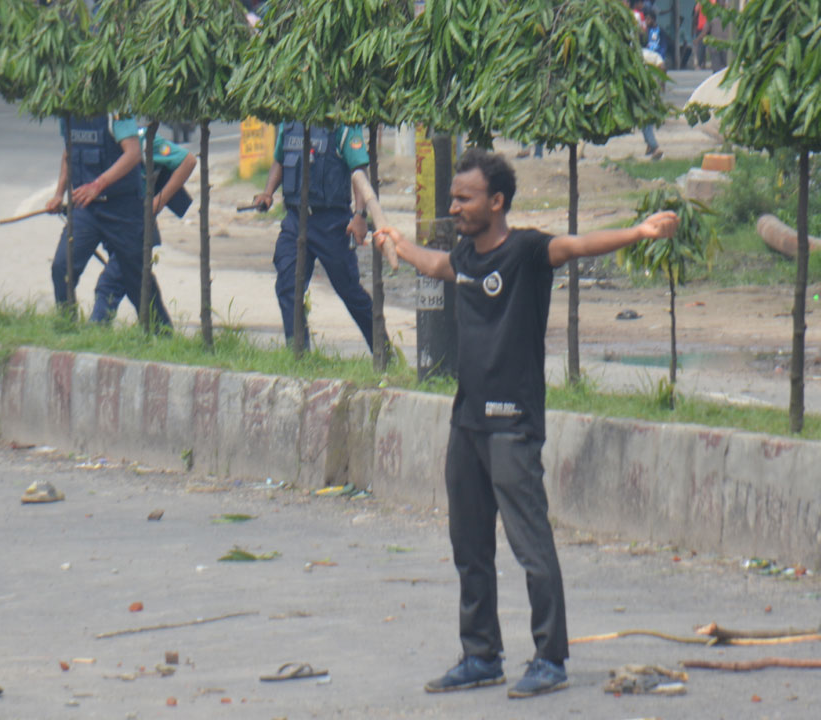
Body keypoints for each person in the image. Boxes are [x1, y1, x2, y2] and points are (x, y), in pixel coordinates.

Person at [372, 150, 677, 700]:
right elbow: (433, 264)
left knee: (531, 545)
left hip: (513, 424)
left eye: (464, 198)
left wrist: (639, 231)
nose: (454, 206)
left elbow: (578, 245)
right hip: (466, 423)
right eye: (453, 198)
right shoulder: (464, 256)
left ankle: (550, 658)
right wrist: (395, 241)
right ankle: (480, 655)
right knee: (469, 545)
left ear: (497, 201)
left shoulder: (529, 252)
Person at [252, 122, 375, 351]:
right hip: (295, 219)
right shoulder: (289, 125)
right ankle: (299, 354)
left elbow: (358, 171)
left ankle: (382, 351)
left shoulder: (342, 127)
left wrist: (360, 215)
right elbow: (280, 160)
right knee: (288, 286)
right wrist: (268, 193)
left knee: (349, 290)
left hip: (332, 223)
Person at [45, 113, 147, 321]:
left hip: (122, 206)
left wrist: (98, 184)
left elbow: (133, 153)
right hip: (86, 208)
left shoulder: (114, 110)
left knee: (136, 278)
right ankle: (68, 326)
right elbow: (69, 153)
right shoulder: (68, 111)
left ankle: (158, 332)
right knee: (62, 267)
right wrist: (58, 195)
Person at [92, 132, 197, 324]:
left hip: (135, 228)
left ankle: (95, 330)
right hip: (110, 225)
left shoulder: (143, 141)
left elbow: (187, 160)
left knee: (109, 284)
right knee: (142, 285)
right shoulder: (96, 142)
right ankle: (162, 333)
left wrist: (158, 202)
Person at [639, 6, 667, 160]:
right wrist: (662, 84)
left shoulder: (643, 54)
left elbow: (662, 63)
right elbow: (662, 66)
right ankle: (651, 146)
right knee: (645, 117)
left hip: (645, 90)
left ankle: (653, 146)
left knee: (645, 117)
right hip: (648, 89)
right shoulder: (649, 56)